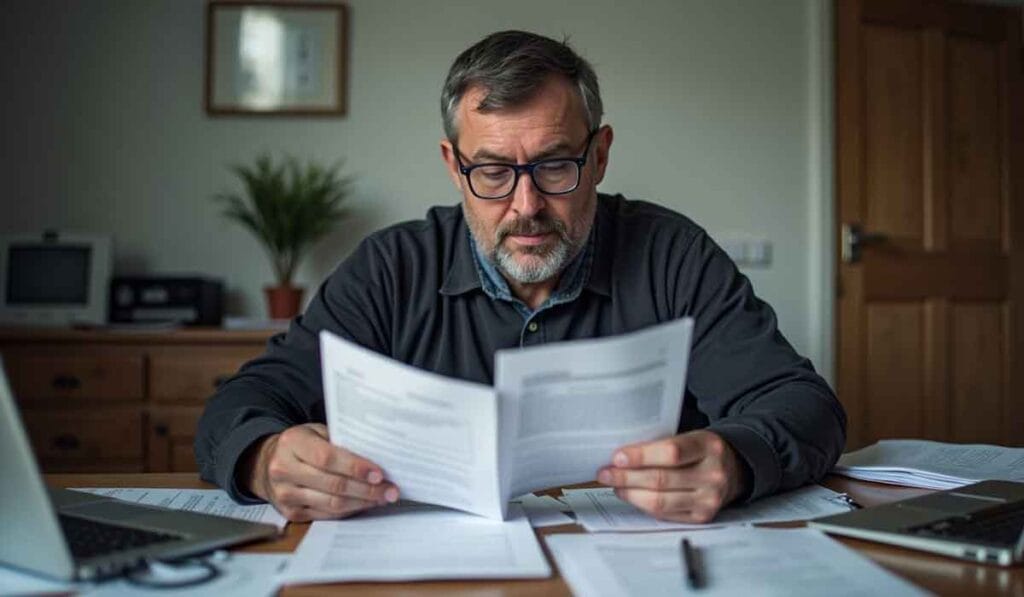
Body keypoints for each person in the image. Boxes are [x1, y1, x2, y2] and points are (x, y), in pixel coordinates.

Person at [196, 30, 846, 524]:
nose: (527, 205)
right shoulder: (391, 269)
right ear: (454, 166)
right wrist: (264, 457)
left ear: (599, 156)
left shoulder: (671, 254)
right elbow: (237, 404)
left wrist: (734, 460)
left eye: (556, 164)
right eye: (493, 171)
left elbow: (806, 406)